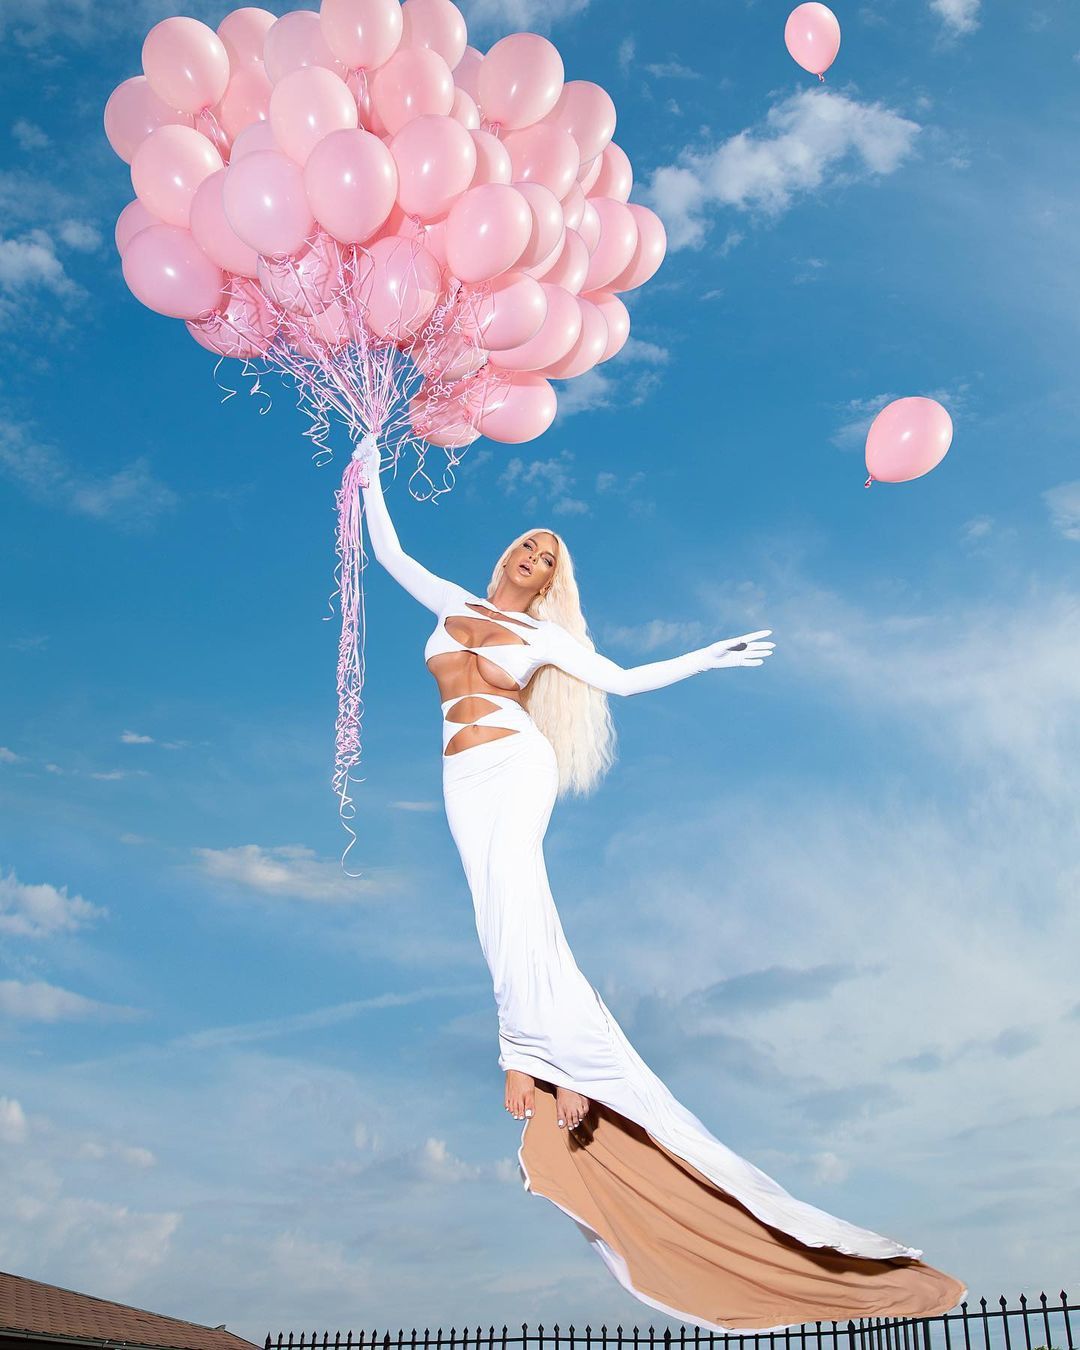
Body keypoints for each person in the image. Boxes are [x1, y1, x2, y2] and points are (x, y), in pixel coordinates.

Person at [353, 436, 966, 1333]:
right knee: (494, 906)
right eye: (528, 546)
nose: (533, 558)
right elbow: (388, 551)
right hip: (460, 774)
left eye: (547, 558)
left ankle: (533, 1053)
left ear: (553, 582)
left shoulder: (547, 638)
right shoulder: (451, 600)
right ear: (508, 554)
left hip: (516, 766)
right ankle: (552, 1055)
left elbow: (627, 681)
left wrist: (704, 657)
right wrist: (367, 468)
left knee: (518, 896)